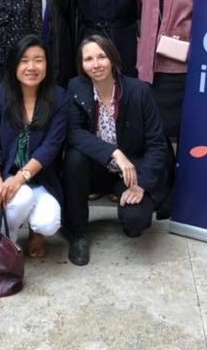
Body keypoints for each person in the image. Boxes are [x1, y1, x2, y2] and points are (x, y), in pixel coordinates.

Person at [63, 34, 168, 266]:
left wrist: (143, 184)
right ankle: (78, 233)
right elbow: (74, 133)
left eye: (101, 56)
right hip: (95, 169)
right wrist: (114, 152)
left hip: (129, 172)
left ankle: (127, 210)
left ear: (112, 58)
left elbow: (157, 144)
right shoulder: (76, 87)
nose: (96, 64)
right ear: (82, 64)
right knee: (74, 158)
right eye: (88, 59)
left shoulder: (138, 91)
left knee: (136, 222)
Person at [0, 35, 66, 258]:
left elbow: (50, 147)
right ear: (14, 64)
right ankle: (10, 238)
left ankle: (37, 232)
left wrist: (20, 178)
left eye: (39, 60)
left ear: (47, 64)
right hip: (5, 176)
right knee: (21, 197)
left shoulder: (59, 98)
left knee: (49, 221)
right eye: (24, 60)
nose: (32, 67)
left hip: (41, 180)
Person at [136, 0, 197, 216]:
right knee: (156, 136)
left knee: (185, 135)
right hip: (150, 68)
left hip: (182, 67)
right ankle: (163, 194)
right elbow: (141, 11)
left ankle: (185, 197)